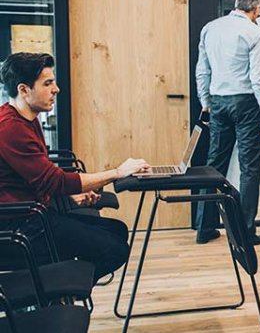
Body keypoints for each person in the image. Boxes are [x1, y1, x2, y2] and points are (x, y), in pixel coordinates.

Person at [0, 52, 149, 281]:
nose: (56, 89)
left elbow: (39, 175)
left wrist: (68, 198)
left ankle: (59, 285)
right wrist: (118, 172)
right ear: (23, 90)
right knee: (114, 249)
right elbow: (54, 181)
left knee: (116, 231)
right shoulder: (11, 128)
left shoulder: (28, 118)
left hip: (36, 212)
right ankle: (56, 289)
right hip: (21, 225)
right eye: (47, 83)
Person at [195, 0, 260, 246]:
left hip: (218, 101)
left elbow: (202, 71)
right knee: (249, 168)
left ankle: (204, 228)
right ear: (256, 8)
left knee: (214, 165)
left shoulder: (211, 28)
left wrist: (205, 101)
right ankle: (245, 232)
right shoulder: (254, 32)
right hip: (247, 103)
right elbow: (259, 79)